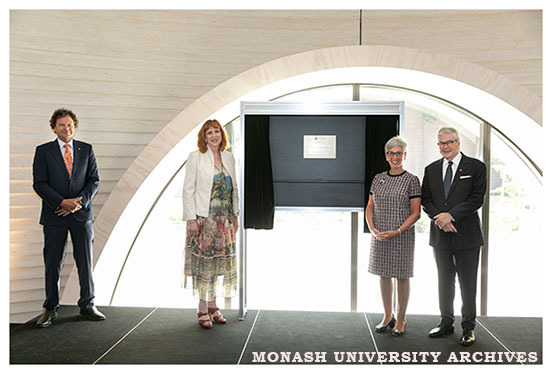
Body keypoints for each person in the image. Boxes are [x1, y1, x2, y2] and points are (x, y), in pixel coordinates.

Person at [32, 108, 105, 328]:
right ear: (54, 127)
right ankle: (50, 308)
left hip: (81, 215)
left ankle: (87, 305)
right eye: (62, 125)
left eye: (70, 124)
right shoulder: (43, 151)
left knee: (85, 261)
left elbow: (94, 180)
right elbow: (39, 183)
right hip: (54, 215)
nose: (67, 128)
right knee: (52, 263)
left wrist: (78, 203)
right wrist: (61, 203)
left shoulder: (86, 149)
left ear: (75, 126)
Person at [421, 127, 486, 346]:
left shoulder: (475, 167)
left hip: (467, 235)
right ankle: (446, 323)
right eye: (441, 143)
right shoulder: (431, 169)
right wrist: (440, 218)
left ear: (458, 143)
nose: (445, 147)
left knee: (468, 283)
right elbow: (426, 199)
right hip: (440, 235)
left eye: (449, 142)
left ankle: (468, 327)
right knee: (444, 281)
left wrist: (451, 216)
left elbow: (477, 199)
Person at [182, 119, 239, 329]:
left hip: (224, 221)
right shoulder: (195, 158)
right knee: (204, 266)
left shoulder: (229, 158)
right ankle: (202, 308)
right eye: (209, 133)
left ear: (222, 135)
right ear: (203, 137)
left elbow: (235, 189)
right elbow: (188, 190)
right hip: (204, 221)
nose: (214, 135)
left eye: (217, 131)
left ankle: (214, 306)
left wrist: (236, 216)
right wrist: (191, 219)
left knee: (217, 265)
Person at [366, 136, 421, 337]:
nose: (395, 157)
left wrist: (398, 231)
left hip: (401, 236)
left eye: (399, 153)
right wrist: (372, 229)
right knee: (383, 274)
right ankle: (387, 316)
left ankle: (401, 318)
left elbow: (416, 213)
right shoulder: (378, 178)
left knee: (402, 276)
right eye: (391, 153)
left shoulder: (411, 180)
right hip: (380, 235)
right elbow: (370, 206)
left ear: (404, 155)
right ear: (386, 156)